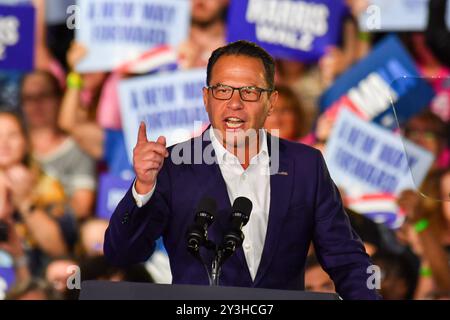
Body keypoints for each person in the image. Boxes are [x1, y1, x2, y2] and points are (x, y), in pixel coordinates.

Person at [104, 40, 379, 300]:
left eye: (249, 92)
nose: (234, 103)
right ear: (206, 98)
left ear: (271, 102)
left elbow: (346, 259)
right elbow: (122, 254)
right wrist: (142, 188)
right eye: (222, 89)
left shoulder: (306, 165)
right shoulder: (173, 165)